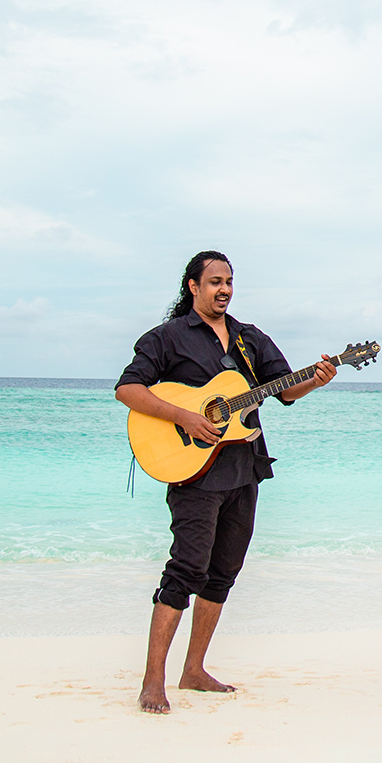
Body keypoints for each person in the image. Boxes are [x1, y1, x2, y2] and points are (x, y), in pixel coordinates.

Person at [115, 250, 337, 714]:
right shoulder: (168, 337)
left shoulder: (248, 338)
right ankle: (152, 681)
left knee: (222, 575)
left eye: (230, 282)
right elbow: (128, 389)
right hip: (195, 474)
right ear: (193, 286)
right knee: (185, 571)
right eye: (215, 281)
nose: (224, 289)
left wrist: (316, 379)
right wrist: (185, 417)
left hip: (244, 469)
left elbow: (284, 389)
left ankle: (193, 670)